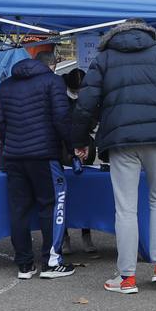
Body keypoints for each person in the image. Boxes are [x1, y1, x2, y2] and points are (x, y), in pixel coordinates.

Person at [72, 20, 156, 294]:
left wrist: (80, 141)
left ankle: (126, 276)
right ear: (148, 34)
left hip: (120, 139)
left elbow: (86, 103)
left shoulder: (104, 58)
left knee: (125, 207)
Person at [0, 50, 75, 280]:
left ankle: (24, 265)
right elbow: (61, 118)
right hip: (44, 156)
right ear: (53, 64)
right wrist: (71, 145)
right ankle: (51, 261)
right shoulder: (53, 82)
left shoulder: (6, 85)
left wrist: (11, 142)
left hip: (14, 157)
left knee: (19, 210)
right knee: (52, 205)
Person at [61, 67, 97, 257]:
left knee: (86, 195)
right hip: (62, 149)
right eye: (74, 91)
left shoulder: (89, 96)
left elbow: (92, 120)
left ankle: (86, 234)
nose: (77, 94)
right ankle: (64, 236)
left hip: (85, 149)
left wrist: (86, 144)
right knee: (62, 196)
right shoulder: (58, 94)